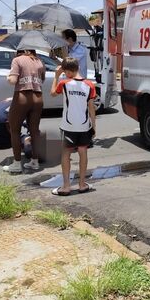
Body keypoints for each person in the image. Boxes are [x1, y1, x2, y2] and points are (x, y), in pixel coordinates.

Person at [50, 57, 96, 196]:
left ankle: (66, 187)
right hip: (84, 126)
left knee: (66, 153)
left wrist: (56, 76)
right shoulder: (90, 85)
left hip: (68, 126)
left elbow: (52, 93)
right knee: (83, 152)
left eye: (64, 72)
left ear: (68, 72)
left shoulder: (64, 83)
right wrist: (94, 126)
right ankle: (82, 184)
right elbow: (91, 108)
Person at [5, 48, 45, 173]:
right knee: (34, 131)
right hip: (38, 97)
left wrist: (8, 76)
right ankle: (35, 161)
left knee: (14, 130)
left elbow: (13, 81)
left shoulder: (17, 60)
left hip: (22, 97)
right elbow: (42, 80)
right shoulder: (40, 61)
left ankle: (17, 164)